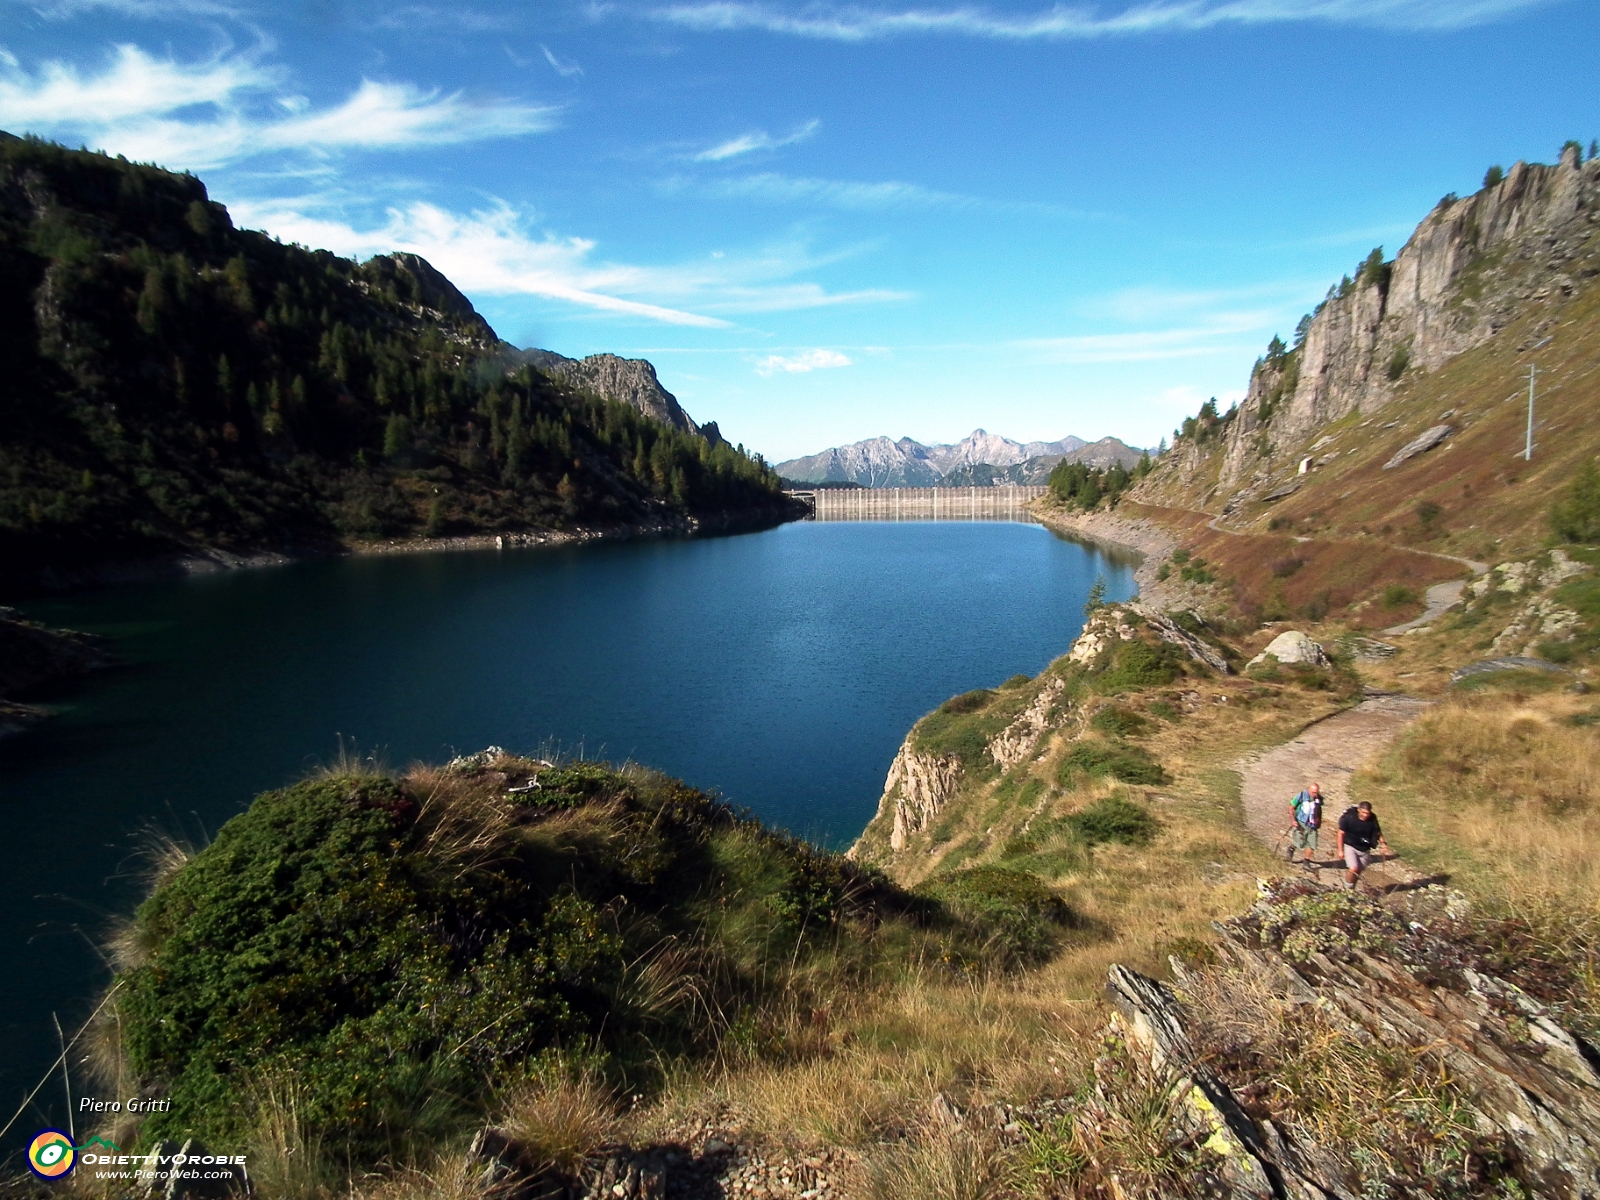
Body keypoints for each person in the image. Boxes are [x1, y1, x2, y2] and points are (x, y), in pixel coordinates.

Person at [1336, 800, 1390, 889]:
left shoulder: (1372, 819)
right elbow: (1340, 834)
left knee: (1358, 871)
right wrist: (1340, 850)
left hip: (1365, 849)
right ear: (1359, 810)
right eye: (1363, 812)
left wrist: (1383, 843)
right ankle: (1347, 888)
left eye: (1367, 813)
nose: (1365, 815)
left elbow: (1378, 832)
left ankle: (1352, 887)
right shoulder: (1349, 818)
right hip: (1351, 845)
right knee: (1353, 868)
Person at [1285, 783, 1322, 868]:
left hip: (1313, 825)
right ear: (1308, 790)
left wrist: (1318, 821)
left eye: (1316, 792)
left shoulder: (1318, 799)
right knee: (1300, 842)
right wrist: (1293, 820)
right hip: (1301, 823)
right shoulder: (1301, 796)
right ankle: (1291, 848)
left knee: (1312, 844)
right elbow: (1291, 807)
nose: (1315, 794)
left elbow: (1319, 810)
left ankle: (1306, 861)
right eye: (1313, 792)